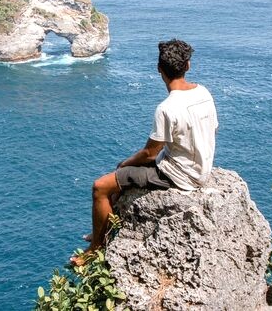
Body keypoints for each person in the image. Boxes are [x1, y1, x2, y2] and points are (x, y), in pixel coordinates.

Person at [72, 39, 218, 265]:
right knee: (121, 176)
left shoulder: (167, 108)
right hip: (199, 167)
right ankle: (104, 226)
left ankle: (94, 248)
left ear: (159, 69)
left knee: (100, 186)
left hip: (177, 175)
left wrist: (126, 163)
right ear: (188, 66)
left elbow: (150, 153)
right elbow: (212, 130)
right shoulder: (204, 93)